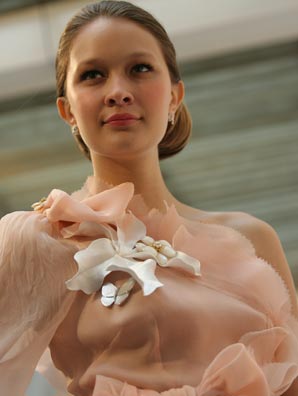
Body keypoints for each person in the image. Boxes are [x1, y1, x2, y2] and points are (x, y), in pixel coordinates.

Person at [0, 1, 297, 395]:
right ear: (66, 110)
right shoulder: (38, 239)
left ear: (175, 96)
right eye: (93, 75)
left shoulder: (252, 239)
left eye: (139, 68)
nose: (118, 92)